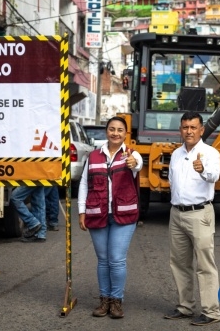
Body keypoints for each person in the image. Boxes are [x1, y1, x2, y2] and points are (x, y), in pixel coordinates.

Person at [78, 116, 142, 319]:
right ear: (107, 131)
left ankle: (116, 301)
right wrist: (82, 211)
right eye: (112, 129)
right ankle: (104, 300)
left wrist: (133, 162)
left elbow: (137, 165)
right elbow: (84, 185)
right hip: (98, 214)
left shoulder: (132, 155)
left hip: (124, 215)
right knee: (103, 260)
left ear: (125, 133)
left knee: (116, 260)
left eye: (120, 130)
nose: (115, 133)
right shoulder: (93, 156)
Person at [164, 111, 220, 326]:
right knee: (179, 263)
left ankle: (211, 312)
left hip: (200, 214)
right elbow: (171, 180)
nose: (189, 131)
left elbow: (214, 176)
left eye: (193, 127)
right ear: (181, 130)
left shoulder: (210, 153)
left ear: (202, 130)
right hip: (176, 214)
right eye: (185, 127)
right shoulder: (177, 154)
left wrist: (202, 169)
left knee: (205, 264)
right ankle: (185, 307)